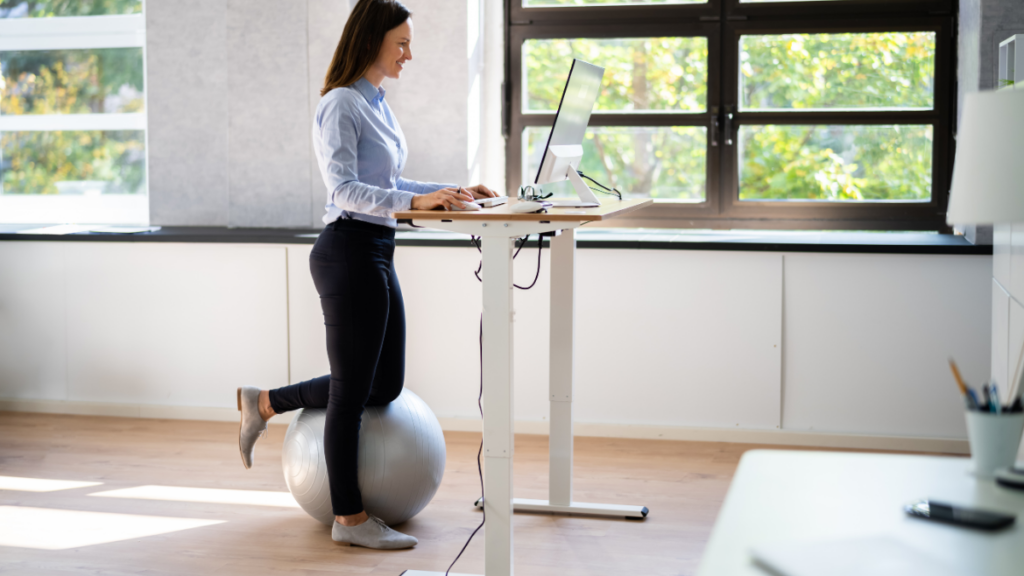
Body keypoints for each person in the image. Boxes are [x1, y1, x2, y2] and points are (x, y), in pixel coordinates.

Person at [234, 0, 497, 550]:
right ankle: (349, 520)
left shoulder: (377, 103)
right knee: (354, 394)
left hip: (377, 247)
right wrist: (418, 201)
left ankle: (263, 402)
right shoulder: (340, 104)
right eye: (400, 42)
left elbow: (391, 181)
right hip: (348, 250)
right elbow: (345, 190)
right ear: (371, 39)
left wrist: (452, 191)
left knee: (384, 384)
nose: (409, 53)